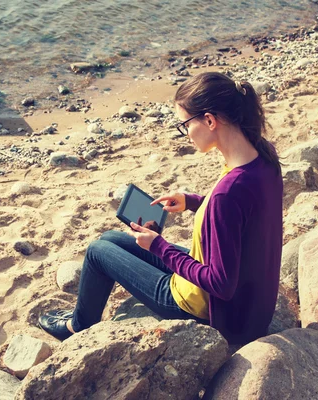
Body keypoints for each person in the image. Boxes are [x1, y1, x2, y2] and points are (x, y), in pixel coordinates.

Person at [39, 72, 283, 345]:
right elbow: (240, 214)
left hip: (207, 308)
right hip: (250, 302)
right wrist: (192, 201)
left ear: (210, 120)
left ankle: (77, 326)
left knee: (97, 252)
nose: (186, 134)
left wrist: (159, 247)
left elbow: (220, 285)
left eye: (185, 125)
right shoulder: (262, 157)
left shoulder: (227, 193)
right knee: (110, 238)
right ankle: (82, 316)